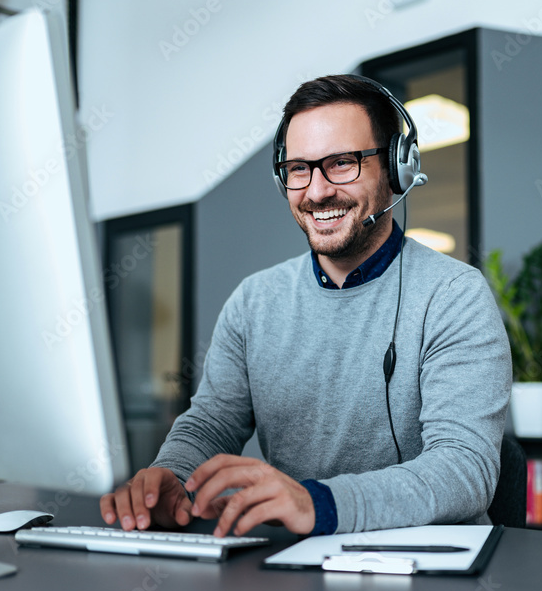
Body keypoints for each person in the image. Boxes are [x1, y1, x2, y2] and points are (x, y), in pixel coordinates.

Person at [100, 74, 512, 538]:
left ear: (396, 168)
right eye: (299, 168)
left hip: (430, 572)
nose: (316, 191)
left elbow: (463, 470)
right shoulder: (253, 301)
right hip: (295, 569)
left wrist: (320, 504)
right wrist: (169, 479)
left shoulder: (454, 294)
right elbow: (211, 425)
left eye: (341, 163)